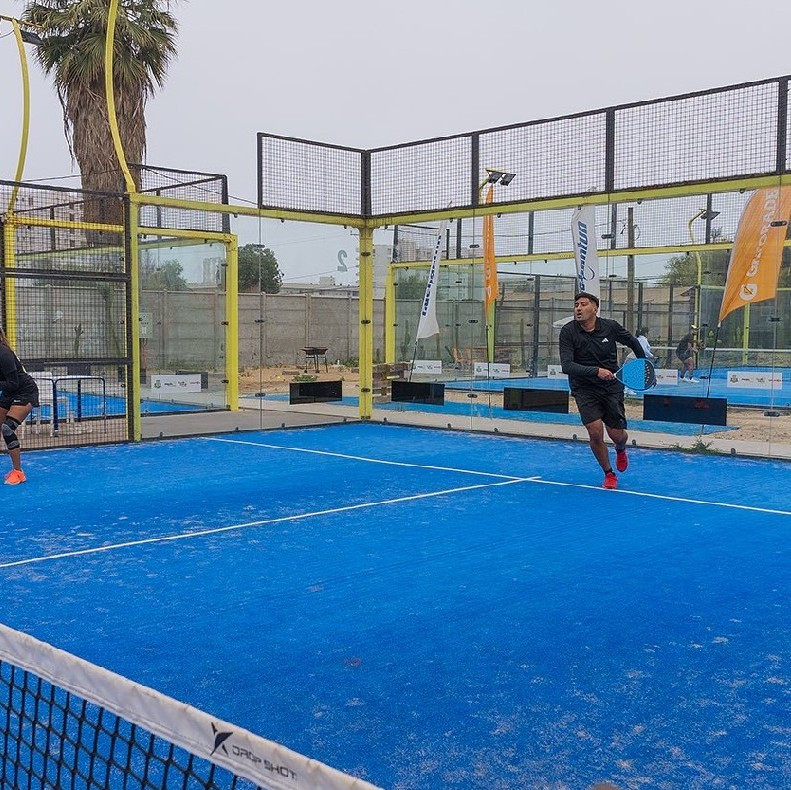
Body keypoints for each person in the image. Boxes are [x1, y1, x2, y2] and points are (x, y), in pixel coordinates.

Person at [559, 292, 645, 489]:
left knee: (617, 435)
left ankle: (620, 448)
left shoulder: (610, 327)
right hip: (584, 388)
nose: (578, 308)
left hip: (611, 387)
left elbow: (633, 342)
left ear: (595, 308)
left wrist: (643, 366)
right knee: (595, 431)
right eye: (576, 305)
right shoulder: (568, 331)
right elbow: (567, 366)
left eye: (583, 304)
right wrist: (596, 371)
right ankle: (609, 473)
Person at [0, 328, 39, 485]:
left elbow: (13, 383)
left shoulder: (4, 353)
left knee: (7, 428)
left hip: (24, 391)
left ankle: (18, 472)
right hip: (9, 393)